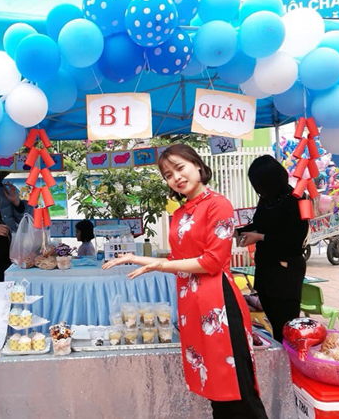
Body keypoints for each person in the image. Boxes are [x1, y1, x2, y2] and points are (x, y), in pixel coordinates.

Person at [103, 144, 268, 419]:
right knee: (216, 389)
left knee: (237, 389)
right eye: (168, 175)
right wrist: (137, 258)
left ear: (198, 165)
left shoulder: (218, 204)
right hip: (192, 305)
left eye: (180, 168)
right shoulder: (180, 214)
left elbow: (212, 261)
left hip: (218, 303)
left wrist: (160, 265)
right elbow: (179, 260)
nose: (176, 178)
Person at [237, 155, 309, 343]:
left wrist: (259, 237)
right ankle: (279, 355)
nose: (258, 190)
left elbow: (295, 240)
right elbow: (259, 224)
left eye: (259, 184)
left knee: (286, 326)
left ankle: (290, 359)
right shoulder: (268, 200)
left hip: (285, 272)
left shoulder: (297, 200)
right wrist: (237, 232)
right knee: (273, 322)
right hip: (266, 269)